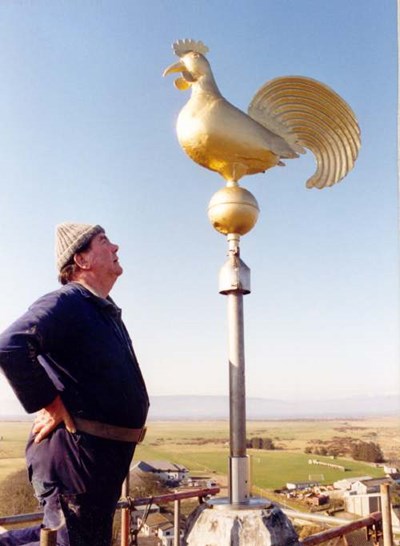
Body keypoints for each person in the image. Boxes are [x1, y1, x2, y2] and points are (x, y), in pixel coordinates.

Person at [0, 222, 149, 546]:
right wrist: (51, 403)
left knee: (79, 539)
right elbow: (11, 345)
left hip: (95, 460)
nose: (115, 247)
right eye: (104, 241)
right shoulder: (69, 302)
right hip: (73, 458)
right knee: (72, 540)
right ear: (81, 260)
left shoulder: (99, 311)